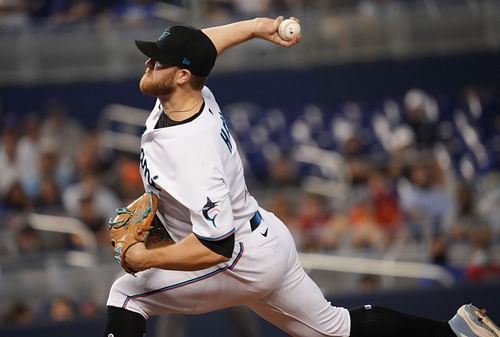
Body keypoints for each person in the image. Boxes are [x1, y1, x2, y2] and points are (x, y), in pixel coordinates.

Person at [102, 16, 500, 337]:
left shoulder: (192, 149)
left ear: (183, 75)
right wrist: (258, 27)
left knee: (126, 296)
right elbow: (204, 44)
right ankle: (455, 333)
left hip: (238, 259)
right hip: (264, 239)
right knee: (336, 329)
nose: (148, 64)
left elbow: (216, 246)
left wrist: (145, 257)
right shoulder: (190, 93)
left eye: (158, 60)